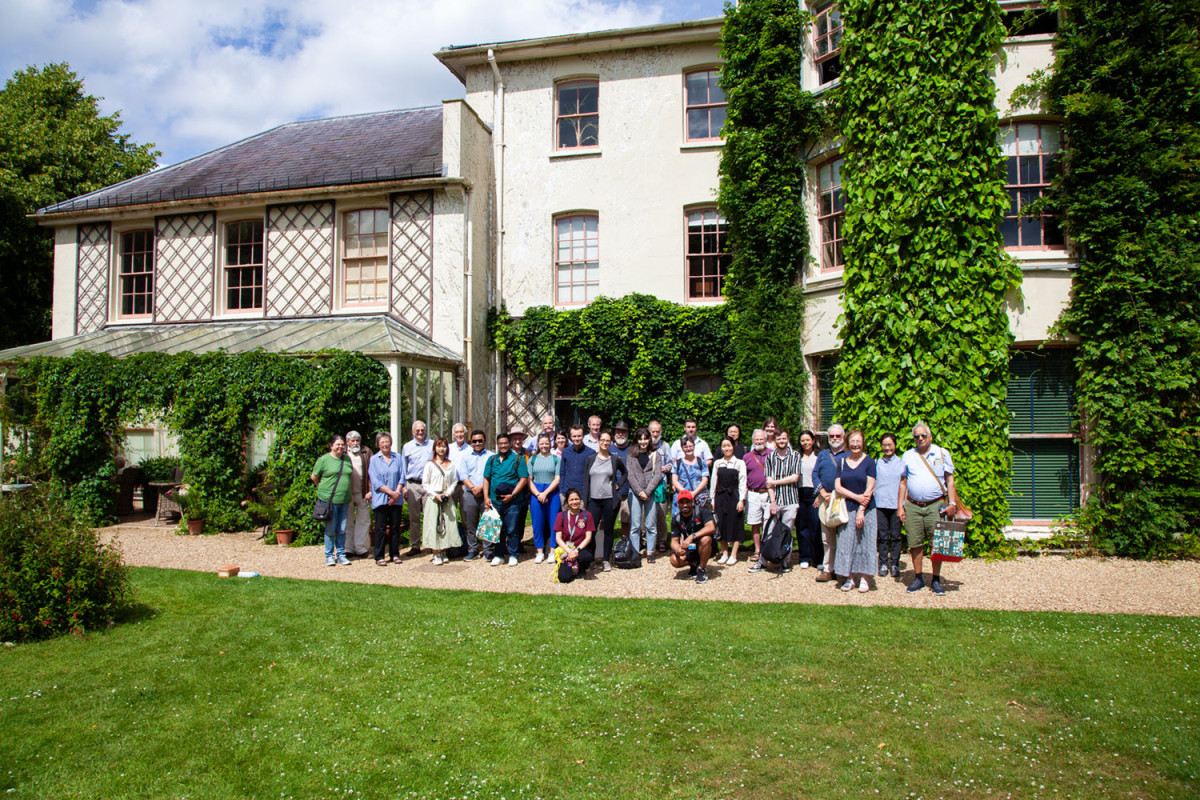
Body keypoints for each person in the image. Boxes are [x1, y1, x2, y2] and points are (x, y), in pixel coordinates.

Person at [898, 423, 959, 595]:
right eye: (916, 436)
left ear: (930, 437)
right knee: (915, 543)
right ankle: (918, 578)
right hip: (913, 506)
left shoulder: (941, 453)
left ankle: (936, 579)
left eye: (923, 435)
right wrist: (900, 507)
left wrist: (952, 504)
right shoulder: (908, 456)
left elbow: (950, 480)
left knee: (936, 544)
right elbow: (903, 483)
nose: (920, 439)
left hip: (936, 505)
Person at [751, 429, 803, 573]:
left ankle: (785, 561)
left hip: (791, 499)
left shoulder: (795, 456)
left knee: (787, 532)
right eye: (779, 439)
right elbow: (769, 482)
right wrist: (773, 502)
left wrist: (776, 482)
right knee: (768, 531)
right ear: (775, 440)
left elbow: (795, 477)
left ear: (787, 439)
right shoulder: (770, 457)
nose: (781, 441)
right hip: (774, 500)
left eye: (784, 438)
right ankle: (762, 561)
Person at [833, 429, 877, 593]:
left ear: (863, 443)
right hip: (847, 508)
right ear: (848, 443)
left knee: (865, 543)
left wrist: (861, 508)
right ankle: (849, 578)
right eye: (852, 441)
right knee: (846, 543)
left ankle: (864, 578)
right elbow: (838, 486)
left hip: (866, 510)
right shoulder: (842, 462)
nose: (855, 444)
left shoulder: (869, 462)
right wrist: (856, 498)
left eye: (858, 441)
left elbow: (870, 487)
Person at [581, 429, 628, 572]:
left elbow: (625, 472)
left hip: (610, 499)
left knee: (608, 530)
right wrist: (585, 499)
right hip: (593, 500)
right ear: (598, 441)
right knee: (591, 531)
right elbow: (586, 481)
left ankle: (606, 560)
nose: (605, 443)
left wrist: (619, 484)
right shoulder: (590, 459)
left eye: (608, 440)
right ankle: (591, 560)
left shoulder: (614, 459)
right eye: (603, 440)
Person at [482, 432, 529, 566]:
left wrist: (513, 495)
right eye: (500, 443)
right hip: (495, 502)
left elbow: (523, 479)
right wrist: (486, 497)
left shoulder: (517, 459)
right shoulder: (492, 460)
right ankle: (499, 554)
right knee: (498, 529)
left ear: (509, 444)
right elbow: (486, 479)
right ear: (498, 445)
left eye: (505, 443)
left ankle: (513, 554)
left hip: (513, 502)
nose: (503, 446)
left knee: (512, 528)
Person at [813, 423, 848, 582]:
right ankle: (828, 568)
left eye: (838, 436)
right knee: (827, 537)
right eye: (832, 436)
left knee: (845, 536)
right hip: (825, 499)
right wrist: (822, 492)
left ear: (843, 436)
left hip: (842, 500)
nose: (834, 439)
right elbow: (815, 474)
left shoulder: (848, 455)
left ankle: (843, 569)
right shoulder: (822, 455)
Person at [311, 435, 353, 566]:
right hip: (329, 501)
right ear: (331, 446)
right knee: (330, 529)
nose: (340, 447)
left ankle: (341, 554)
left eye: (342, 444)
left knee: (342, 528)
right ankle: (329, 555)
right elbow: (314, 476)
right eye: (337, 444)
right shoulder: (324, 460)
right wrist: (322, 489)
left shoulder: (346, 459)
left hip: (344, 500)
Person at [624, 427, 664, 562]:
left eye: (645, 438)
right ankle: (635, 552)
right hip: (635, 492)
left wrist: (647, 492)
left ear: (649, 439)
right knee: (635, 524)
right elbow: (630, 475)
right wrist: (639, 491)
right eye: (640, 439)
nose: (643, 442)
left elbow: (658, 474)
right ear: (636, 440)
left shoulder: (655, 455)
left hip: (650, 492)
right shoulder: (631, 455)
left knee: (651, 524)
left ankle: (650, 551)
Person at [422, 437, 461, 564]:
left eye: (444, 446)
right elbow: (425, 483)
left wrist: (448, 493)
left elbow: (454, 481)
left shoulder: (451, 464)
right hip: (434, 498)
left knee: (448, 524)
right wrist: (435, 495)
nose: (441, 449)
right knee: (434, 524)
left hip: (446, 498)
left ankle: (444, 551)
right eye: (439, 446)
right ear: (435, 448)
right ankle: (435, 553)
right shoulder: (429, 465)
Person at [369, 432, 405, 565]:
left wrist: (397, 493)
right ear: (378, 444)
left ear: (391, 443)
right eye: (382, 442)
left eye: (387, 441)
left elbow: (402, 476)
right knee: (380, 528)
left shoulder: (398, 457)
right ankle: (379, 556)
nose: (385, 444)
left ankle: (394, 554)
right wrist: (391, 492)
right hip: (381, 498)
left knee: (395, 527)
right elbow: (375, 481)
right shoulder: (374, 460)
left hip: (397, 499)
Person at [456, 429, 493, 561]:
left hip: (486, 493)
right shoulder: (465, 456)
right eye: (474, 441)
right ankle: (473, 549)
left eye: (480, 441)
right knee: (470, 523)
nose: (477, 443)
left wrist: (481, 488)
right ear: (471, 442)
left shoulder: (491, 456)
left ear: (484, 441)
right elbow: (463, 474)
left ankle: (488, 550)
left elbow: (492, 475)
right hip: (470, 493)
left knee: (488, 522)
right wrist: (473, 488)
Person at [710, 436, 747, 565]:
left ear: (733, 446)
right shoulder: (717, 463)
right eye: (724, 446)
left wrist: (742, 500)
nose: (726, 448)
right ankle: (725, 553)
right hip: (720, 496)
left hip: (734, 496)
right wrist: (712, 499)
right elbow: (714, 482)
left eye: (729, 445)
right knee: (721, 525)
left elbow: (743, 483)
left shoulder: (739, 463)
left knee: (736, 523)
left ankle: (734, 554)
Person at [874, 433, 905, 579]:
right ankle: (884, 563)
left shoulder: (901, 463)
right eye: (884, 445)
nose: (887, 448)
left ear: (895, 445)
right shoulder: (876, 463)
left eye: (890, 445)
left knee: (896, 536)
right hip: (880, 504)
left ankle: (895, 563)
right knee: (882, 536)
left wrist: (902, 506)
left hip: (895, 504)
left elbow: (904, 484)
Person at [528, 433, 562, 563]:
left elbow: (557, 478)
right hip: (536, 492)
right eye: (541, 443)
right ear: (538, 444)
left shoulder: (556, 459)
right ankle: (539, 551)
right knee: (537, 523)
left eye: (546, 443)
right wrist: (538, 494)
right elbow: (529, 480)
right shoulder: (532, 459)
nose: (544, 446)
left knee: (554, 523)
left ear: (550, 444)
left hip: (552, 492)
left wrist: (546, 493)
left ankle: (552, 550)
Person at [669, 490, 716, 584]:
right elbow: (674, 541)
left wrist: (692, 536)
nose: (685, 505)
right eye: (682, 502)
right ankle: (694, 564)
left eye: (687, 502)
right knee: (674, 560)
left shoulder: (702, 511)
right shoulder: (676, 519)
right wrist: (677, 549)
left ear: (692, 502)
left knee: (705, 539)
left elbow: (711, 527)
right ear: (678, 504)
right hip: (691, 546)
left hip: (707, 545)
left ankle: (702, 570)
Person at [402, 420, 434, 557]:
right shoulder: (407, 447)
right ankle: (415, 545)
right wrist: (404, 486)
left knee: (430, 516)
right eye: (417, 430)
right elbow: (403, 468)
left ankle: (431, 544)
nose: (420, 432)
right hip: (412, 484)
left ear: (425, 430)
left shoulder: (432, 444)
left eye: (422, 430)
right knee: (414, 518)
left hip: (429, 485)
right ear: (413, 432)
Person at [741, 429, 771, 564]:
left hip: (769, 493)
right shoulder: (746, 457)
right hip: (753, 493)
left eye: (761, 439)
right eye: (756, 439)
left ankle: (767, 549)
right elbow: (743, 477)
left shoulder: (772, 454)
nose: (759, 441)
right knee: (754, 523)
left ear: (765, 440)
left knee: (768, 522)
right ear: (753, 441)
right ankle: (757, 550)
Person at [554, 488, 596, 583]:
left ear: (580, 500)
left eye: (576, 499)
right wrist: (569, 551)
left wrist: (576, 551)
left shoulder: (587, 515)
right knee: (564, 578)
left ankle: (581, 569)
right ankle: (567, 564)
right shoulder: (561, 516)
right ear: (567, 502)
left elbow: (588, 537)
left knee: (587, 556)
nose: (574, 502)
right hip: (565, 550)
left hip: (580, 549)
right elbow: (558, 538)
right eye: (571, 500)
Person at [343, 431, 373, 558]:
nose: (355, 443)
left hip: (363, 492)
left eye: (357, 440)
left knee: (364, 521)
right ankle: (347, 549)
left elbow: (372, 472)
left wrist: (371, 490)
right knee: (347, 522)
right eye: (353, 440)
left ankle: (361, 549)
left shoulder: (367, 452)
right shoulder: (342, 453)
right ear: (347, 442)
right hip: (346, 493)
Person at [796, 430, 822, 569]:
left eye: (808, 440)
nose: (805, 443)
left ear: (813, 440)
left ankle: (818, 558)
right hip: (800, 492)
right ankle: (804, 556)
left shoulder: (819, 456)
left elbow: (822, 475)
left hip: (814, 493)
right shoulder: (797, 456)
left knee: (816, 526)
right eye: (803, 440)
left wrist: (819, 494)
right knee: (801, 526)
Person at [647, 419, 674, 552]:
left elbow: (671, 464)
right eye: (653, 431)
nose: (655, 434)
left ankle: (662, 540)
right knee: (644, 514)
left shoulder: (665, 446)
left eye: (658, 431)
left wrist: (666, 468)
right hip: (646, 485)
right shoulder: (643, 444)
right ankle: (645, 540)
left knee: (661, 513)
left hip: (660, 485)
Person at [671, 436, 708, 516]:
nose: (688, 449)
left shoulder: (701, 462)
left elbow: (705, 480)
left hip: (698, 497)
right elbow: (674, 480)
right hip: (681, 497)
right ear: (682, 448)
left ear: (694, 446)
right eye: (685, 447)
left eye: (690, 446)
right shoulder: (678, 463)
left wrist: (694, 493)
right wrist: (686, 493)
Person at [610, 420, 633, 535]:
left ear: (627, 434)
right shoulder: (608, 449)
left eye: (623, 432)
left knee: (626, 519)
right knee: (607, 519)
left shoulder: (633, 449)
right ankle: (604, 544)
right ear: (614, 433)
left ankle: (625, 543)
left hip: (627, 491)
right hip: (610, 491)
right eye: (618, 432)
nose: (620, 434)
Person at [558, 424, 591, 503]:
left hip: (583, 495)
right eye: (574, 436)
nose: (577, 438)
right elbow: (562, 473)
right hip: (567, 494)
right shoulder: (565, 452)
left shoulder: (590, 453)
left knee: (583, 516)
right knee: (566, 515)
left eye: (579, 436)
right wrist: (561, 491)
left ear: (583, 436)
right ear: (570, 437)